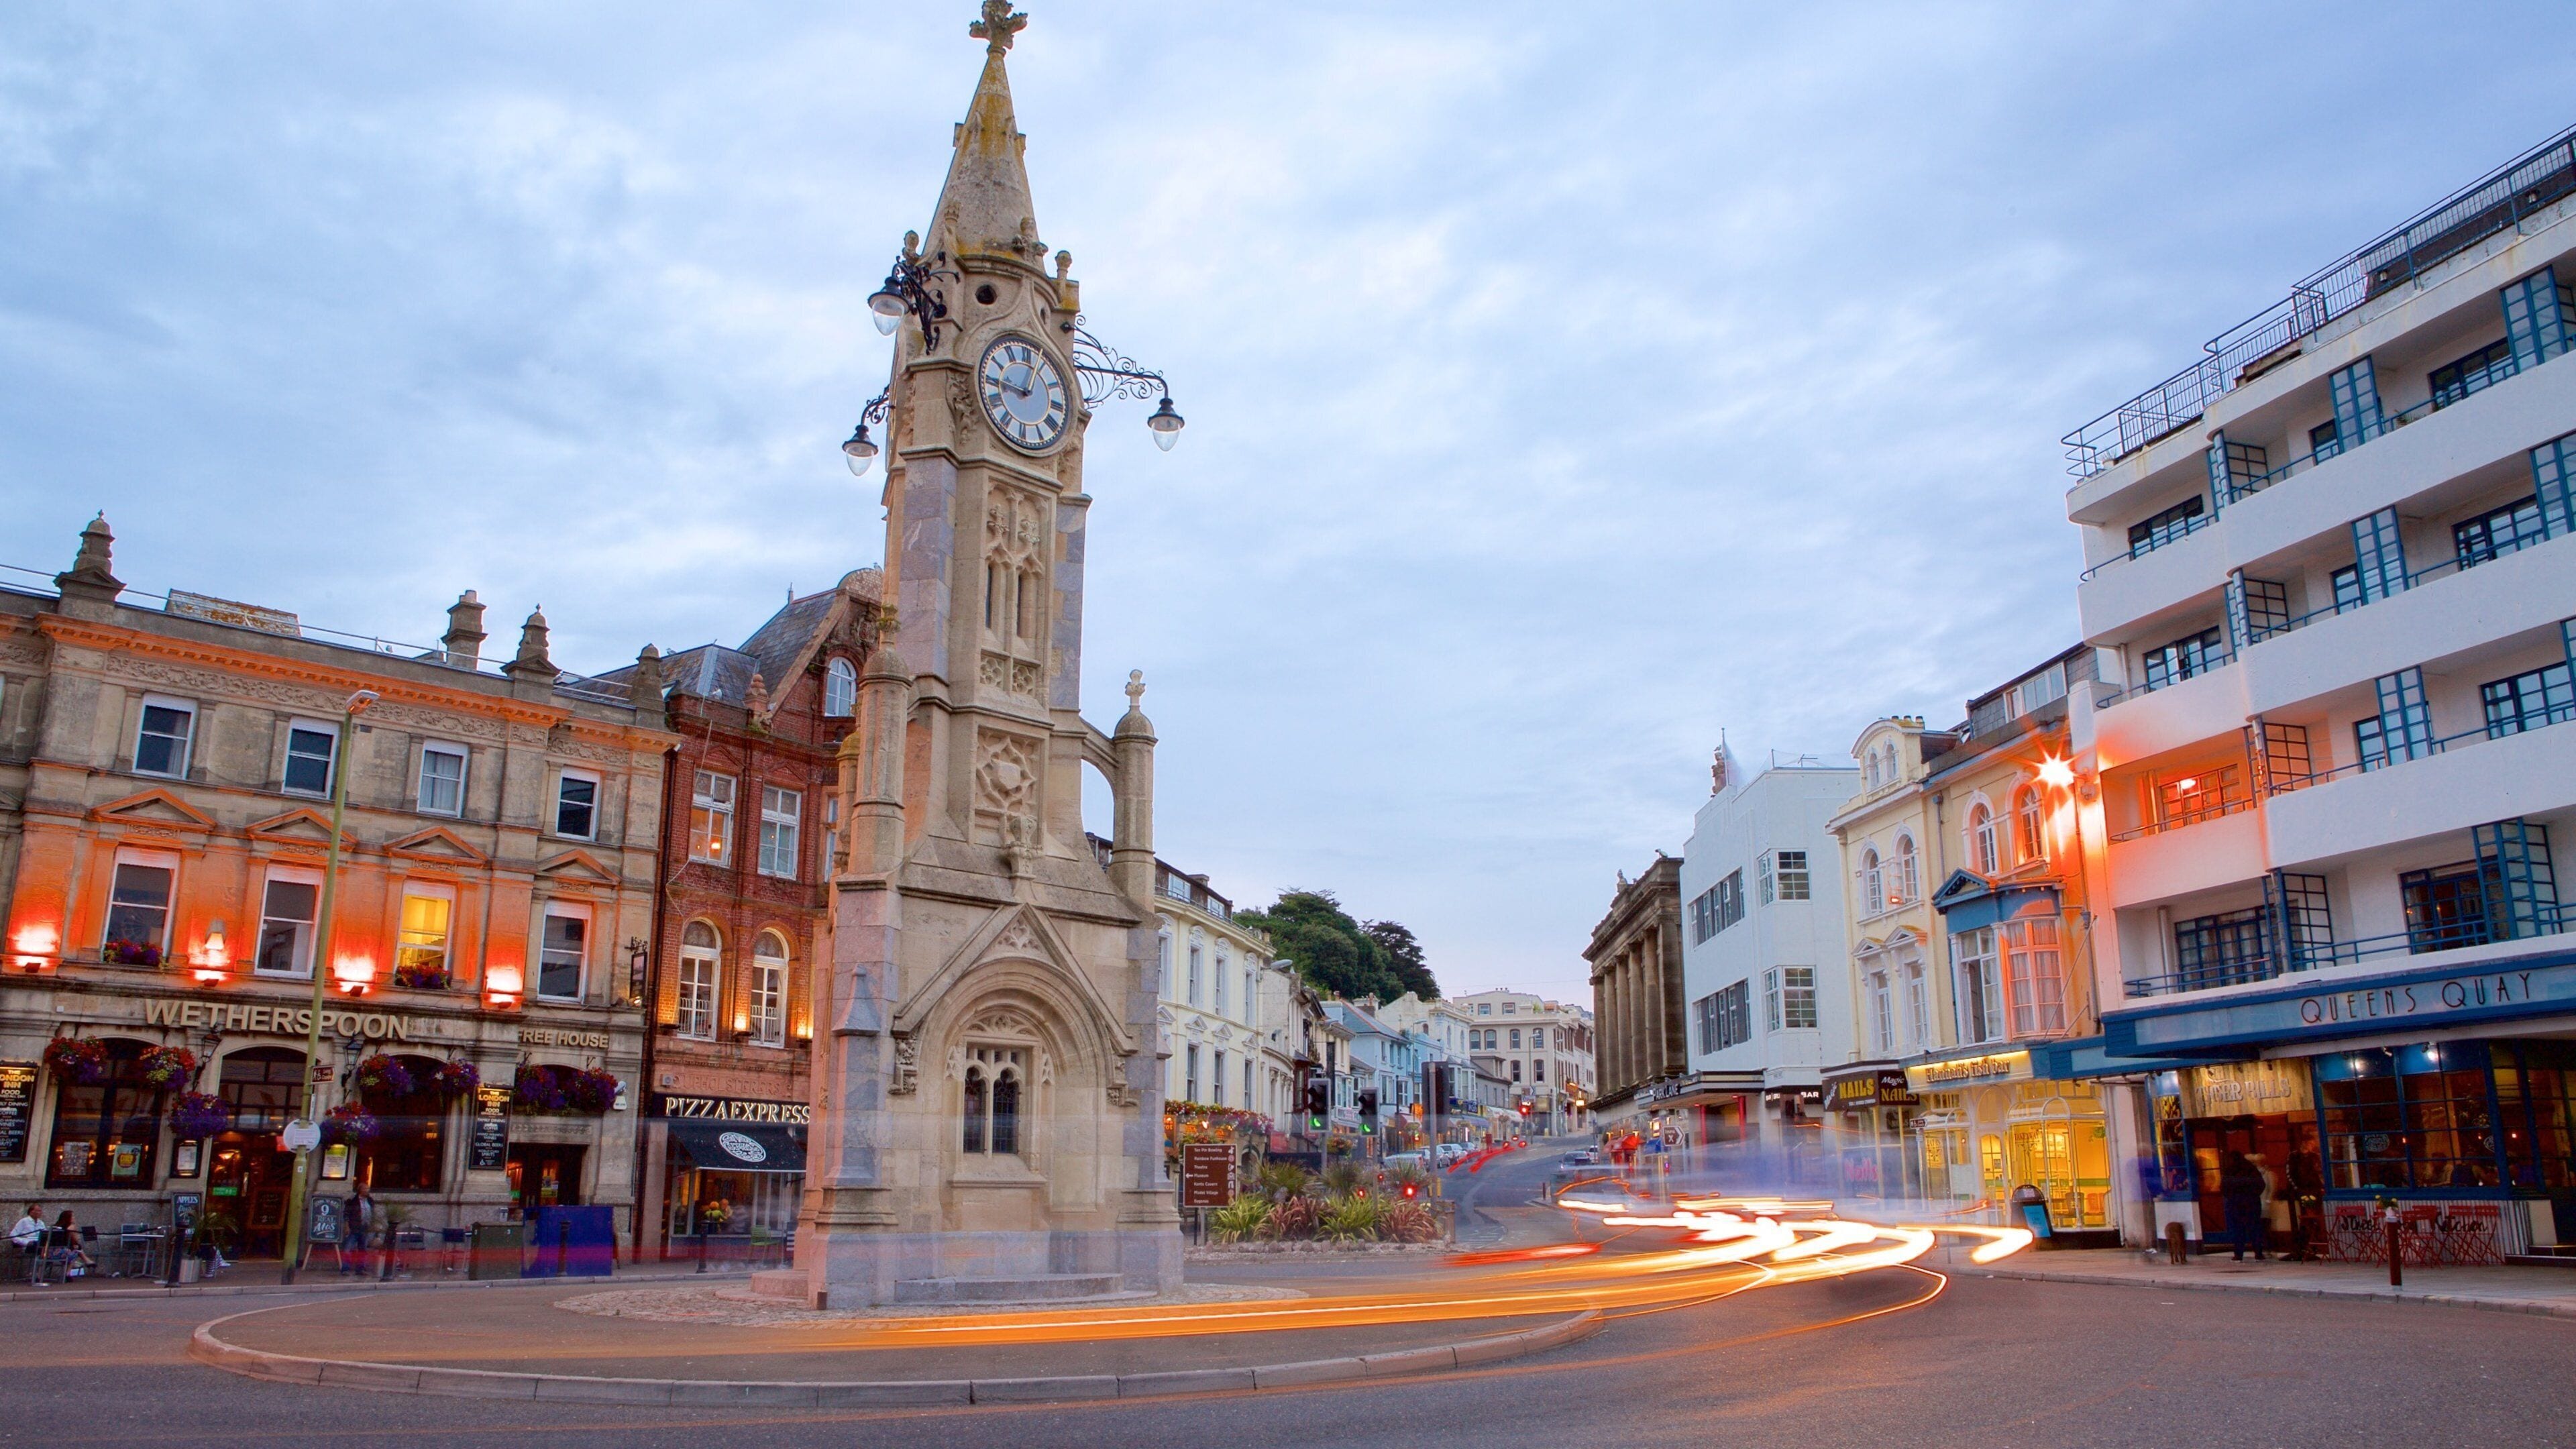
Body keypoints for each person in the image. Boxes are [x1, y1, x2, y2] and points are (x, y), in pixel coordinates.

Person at [2217, 1150, 2267, 1262]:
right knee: (2254, 1227)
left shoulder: (2230, 1170)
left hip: (2235, 1203)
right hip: (2252, 1202)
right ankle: (2258, 1253)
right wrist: (2253, 1195)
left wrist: (2231, 1197)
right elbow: (2261, 1184)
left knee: (2238, 1229)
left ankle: (2238, 1254)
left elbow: (2224, 1187)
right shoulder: (2251, 1169)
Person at [341, 1189, 377, 1277]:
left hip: (365, 1228)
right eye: (366, 1190)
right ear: (361, 1191)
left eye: (368, 1190)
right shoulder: (353, 1201)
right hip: (354, 1227)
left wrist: (373, 1224)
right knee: (348, 1249)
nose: (368, 1192)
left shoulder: (370, 1200)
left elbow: (372, 1213)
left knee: (363, 1250)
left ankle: (360, 1269)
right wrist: (347, 1226)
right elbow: (346, 1214)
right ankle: (345, 1269)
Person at [52, 1210, 97, 1277]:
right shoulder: (71, 1227)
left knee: (76, 1248)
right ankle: (68, 1273)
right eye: (72, 1216)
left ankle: (86, 1261)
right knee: (76, 1251)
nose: (74, 1218)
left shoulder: (55, 1226)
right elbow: (75, 1239)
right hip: (60, 1252)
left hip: (49, 1251)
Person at [9, 1204, 42, 1285]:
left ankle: (38, 1273)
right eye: (37, 1211)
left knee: (48, 1249)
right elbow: (13, 1235)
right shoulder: (24, 1221)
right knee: (38, 1248)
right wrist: (26, 1243)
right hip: (28, 1245)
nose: (40, 1213)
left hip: (39, 1244)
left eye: (40, 1211)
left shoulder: (41, 1223)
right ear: (31, 1212)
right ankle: (35, 1273)